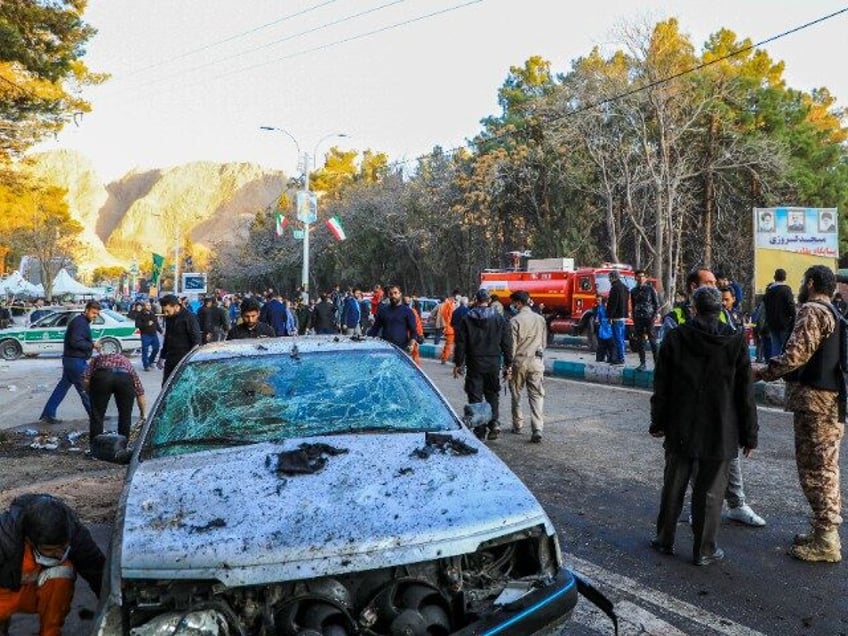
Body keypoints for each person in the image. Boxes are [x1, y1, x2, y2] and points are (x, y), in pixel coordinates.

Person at [650, 286, 758, 566]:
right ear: (721, 309)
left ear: (694, 308)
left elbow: (662, 386)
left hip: (680, 425)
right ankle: (704, 550)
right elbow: (745, 394)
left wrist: (657, 422)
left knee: (674, 484)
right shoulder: (735, 342)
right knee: (711, 492)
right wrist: (750, 435)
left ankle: (664, 539)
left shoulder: (675, 337)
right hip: (720, 430)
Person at [661, 266, 766, 527]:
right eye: (707, 283)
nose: (714, 287)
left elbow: (737, 366)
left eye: (715, 283)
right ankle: (699, 514)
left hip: (720, 406)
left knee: (728, 459)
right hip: (689, 406)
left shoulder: (726, 317)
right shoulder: (675, 318)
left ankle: (737, 504)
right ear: (692, 288)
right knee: (695, 463)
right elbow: (665, 368)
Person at [754, 265, 845, 562]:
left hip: (815, 404)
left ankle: (827, 541)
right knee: (824, 468)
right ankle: (822, 531)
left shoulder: (813, 311)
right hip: (830, 402)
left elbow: (795, 356)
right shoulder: (834, 312)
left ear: (810, 283)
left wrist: (762, 372)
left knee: (817, 472)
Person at [0, 494, 105, 636]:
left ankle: (50, 632)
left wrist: (112, 609)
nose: (59, 554)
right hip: (4, 591)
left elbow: (98, 572)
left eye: (62, 547)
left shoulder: (74, 533)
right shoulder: (4, 539)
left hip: (35, 591)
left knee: (62, 572)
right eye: (49, 550)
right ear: (30, 541)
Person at [453, 289, 513, 441]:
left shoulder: (467, 318)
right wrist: (508, 363)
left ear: (476, 300)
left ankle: (480, 431)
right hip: (493, 363)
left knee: (475, 396)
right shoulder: (499, 318)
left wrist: (458, 363)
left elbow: (461, 343)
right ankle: (494, 423)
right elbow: (506, 342)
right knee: (493, 394)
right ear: (489, 301)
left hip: (475, 363)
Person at [38, 301, 102, 425]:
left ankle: (48, 413)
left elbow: (78, 340)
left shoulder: (81, 322)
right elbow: (75, 342)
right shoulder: (80, 323)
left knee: (62, 388)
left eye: (97, 314)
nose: (95, 316)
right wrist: (92, 345)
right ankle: (96, 417)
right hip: (75, 361)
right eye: (94, 313)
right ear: (87, 310)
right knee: (86, 389)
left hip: (71, 360)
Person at [508, 291, 547, 443]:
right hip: (537, 362)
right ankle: (537, 427)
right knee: (536, 395)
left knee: (516, 393)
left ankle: (518, 424)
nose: (513, 306)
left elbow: (512, 346)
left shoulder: (515, 321)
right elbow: (543, 343)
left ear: (518, 303)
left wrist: (508, 366)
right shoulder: (540, 319)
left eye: (513, 303)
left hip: (519, 362)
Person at [82, 352, 147, 442]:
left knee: (97, 416)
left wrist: (90, 391)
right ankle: (122, 447)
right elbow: (139, 390)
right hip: (124, 378)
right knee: (125, 416)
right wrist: (143, 414)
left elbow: (86, 379)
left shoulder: (97, 358)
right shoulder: (125, 360)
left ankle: (95, 447)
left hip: (102, 377)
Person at [156, 294, 201, 385]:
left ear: (176, 306)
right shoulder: (169, 318)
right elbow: (167, 338)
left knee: (181, 385)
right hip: (170, 358)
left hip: (184, 358)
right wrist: (162, 356)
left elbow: (196, 341)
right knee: (166, 385)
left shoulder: (189, 317)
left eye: (168, 311)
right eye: (164, 311)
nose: (166, 314)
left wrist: (190, 359)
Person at [367, 284, 419, 353]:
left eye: (395, 293)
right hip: (385, 349)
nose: (393, 296)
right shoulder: (383, 311)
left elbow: (413, 331)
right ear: (388, 295)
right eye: (391, 294)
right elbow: (375, 329)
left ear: (400, 294)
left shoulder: (407, 311)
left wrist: (411, 345)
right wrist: (366, 339)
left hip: (402, 350)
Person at [630, 269, 660, 371]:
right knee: (640, 341)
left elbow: (656, 304)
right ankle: (642, 363)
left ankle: (657, 364)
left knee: (653, 341)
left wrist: (654, 316)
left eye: (642, 276)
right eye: (639, 276)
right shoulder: (633, 291)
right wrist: (634, 317)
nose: (641, 278)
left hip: (649, 317)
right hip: (638, 318)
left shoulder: (650, 289)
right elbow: (634, 305)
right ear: (635, 278)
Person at [763, 268, 796, 355]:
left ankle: (774, 366)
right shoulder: (786, 290)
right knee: (786, 348)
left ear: (774, 277)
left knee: (775, 347)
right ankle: (784, 367)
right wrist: (794, 318)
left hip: (772, 323)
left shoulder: (768, 291)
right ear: (785, 277)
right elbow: (791, 306)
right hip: (784, 323)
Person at [606, 270, 629, 365]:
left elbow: (613, 304)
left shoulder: (615, 288)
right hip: (623, 316)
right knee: (621, 338)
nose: (609, 280)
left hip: (616, 317)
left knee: (617, 339)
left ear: (613, 277)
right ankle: (619, 357)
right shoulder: (625, 287)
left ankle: (620, 358)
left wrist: (610, 316)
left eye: (609, 277)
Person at [134, 300, 162, 372]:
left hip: (153, 334)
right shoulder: (140, 315)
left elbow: (156, 323)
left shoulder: (152, 313)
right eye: (147, 305)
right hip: (145, 335)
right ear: (144, 306)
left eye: (149, 305)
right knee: (145, 350)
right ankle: (146, 365)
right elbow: (137, 325)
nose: (149, 307)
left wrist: (160, 331)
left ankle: (150, 361)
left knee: (156, 348)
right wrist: (147, 324)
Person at [439, 290, 460, 364]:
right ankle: (444, 358)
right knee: (449, 344)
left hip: (450, 328)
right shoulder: (450, 304)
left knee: (448, 344)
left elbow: (444, 314)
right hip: (451, 328)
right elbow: (446, 315)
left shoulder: (450, 304)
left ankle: (444, 357)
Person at [593, 294, 614, 363]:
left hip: (607, 328)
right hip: (604, 328)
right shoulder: (599, 308)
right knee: (603, 345)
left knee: (608, 345)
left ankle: (608, 358)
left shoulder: (604, 308)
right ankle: (601, 358)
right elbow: (598, 317)